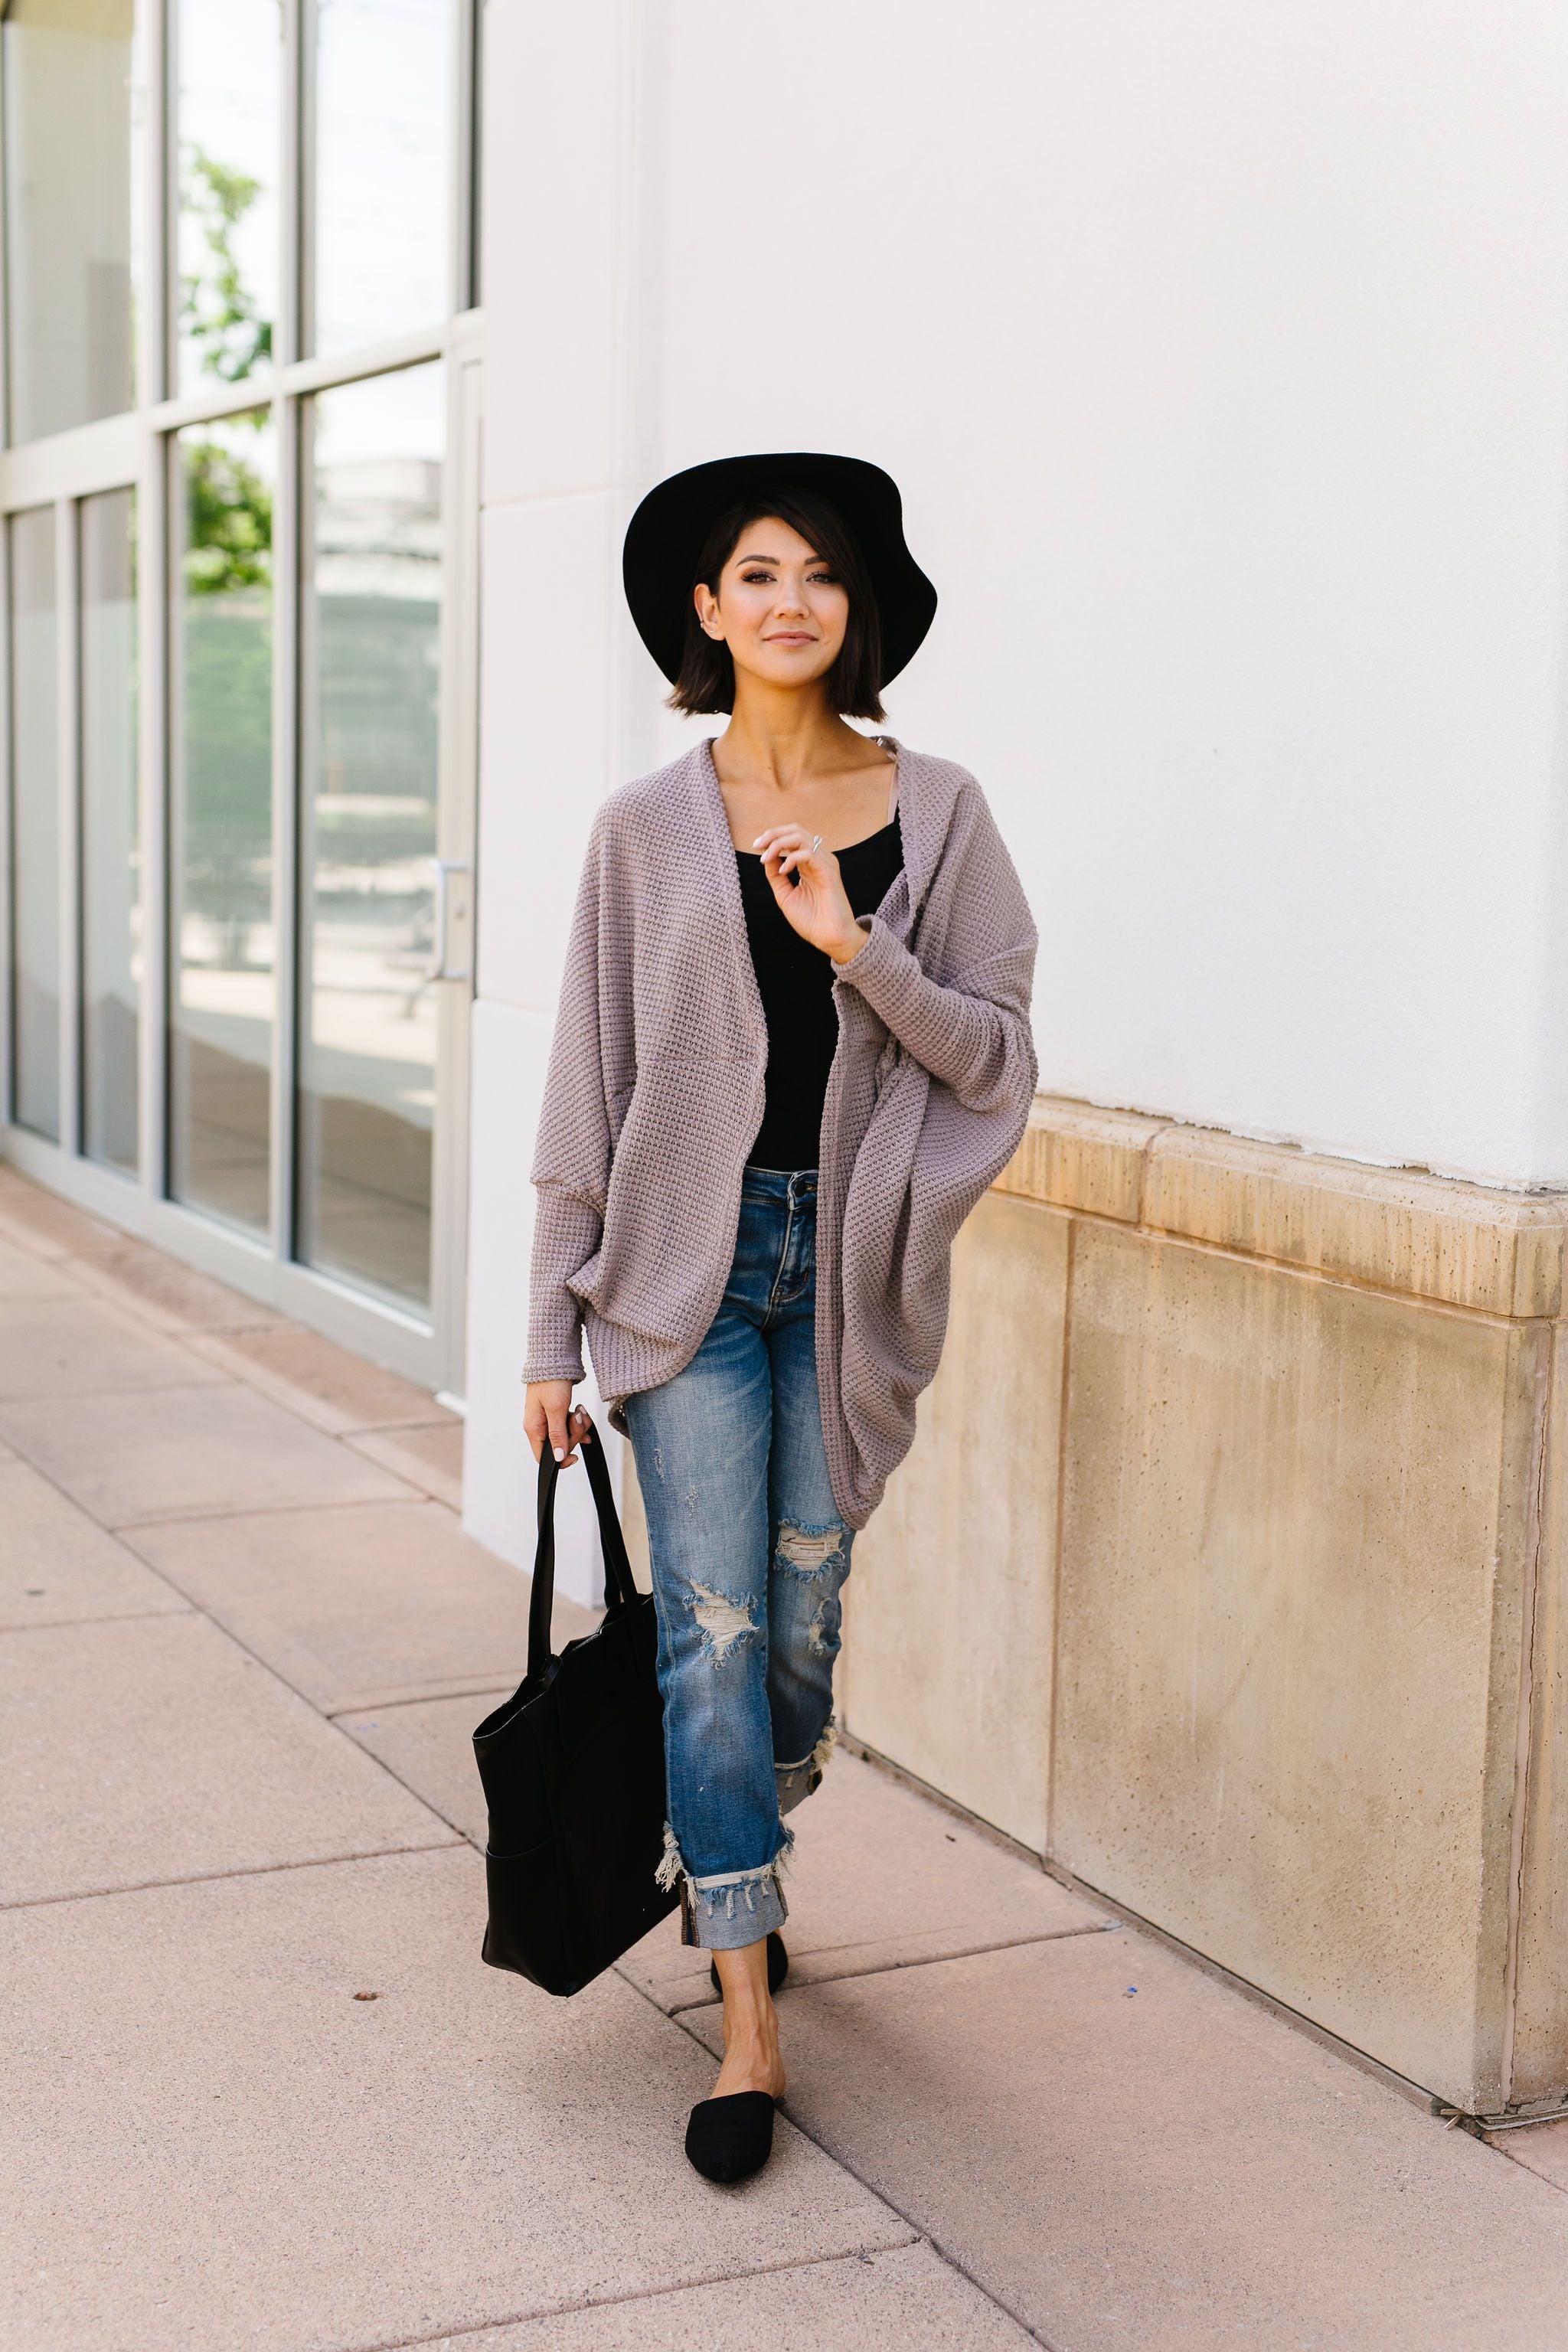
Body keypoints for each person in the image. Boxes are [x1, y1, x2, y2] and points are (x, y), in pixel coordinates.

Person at [522, 451, 1037, 2183]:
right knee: (713, 1641)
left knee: (799, 1639)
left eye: (819, 574)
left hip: (844, 1274)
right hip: (683, 1280)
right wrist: (543, 1339)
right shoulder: (639, 832)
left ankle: (733, 1839)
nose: (789, 601)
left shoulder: (942, 811)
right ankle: (748, 2020)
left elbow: (996, 1058)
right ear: (704, 608)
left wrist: (855, 947)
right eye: (756, 573)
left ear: (855, 607)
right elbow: (585, 1094)